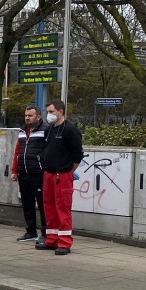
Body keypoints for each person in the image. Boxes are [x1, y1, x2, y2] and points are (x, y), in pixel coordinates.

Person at [39, 99, 84, 255]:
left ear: (60, 111)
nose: (49, 115)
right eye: (47, 112)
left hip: (62, 175)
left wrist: (69, 171)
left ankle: (65, 242)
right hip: (48, 174)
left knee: (62, 209)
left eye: (51, 112)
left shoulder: (70, 131)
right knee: (49, 207)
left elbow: (78, 155)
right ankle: (52, 239)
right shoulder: (49, 130)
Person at [11, 105, 47, 243]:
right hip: (24, 173)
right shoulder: (22, 131)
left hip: (39, 173)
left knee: (43, 205)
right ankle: (30, 231)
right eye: (26, 115)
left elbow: (48, 151)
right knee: (27, 204)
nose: (27, 118)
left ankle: (45, 233)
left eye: (30, 115)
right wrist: (15, 170)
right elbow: (18, 151)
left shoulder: (45, 130)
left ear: (38, 116)